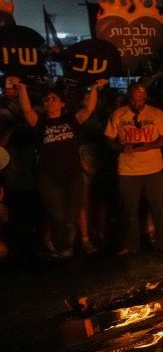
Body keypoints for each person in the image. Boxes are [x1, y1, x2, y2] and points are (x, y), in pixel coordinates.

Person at [14, 79, 104, 258]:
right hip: (49, 177)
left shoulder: (71, 120)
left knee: (71, 215)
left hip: (73, 174)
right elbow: (26, 110)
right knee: (57, 215)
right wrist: (21, 88)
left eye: (54, 98)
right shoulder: (41, 123)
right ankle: (62, 247)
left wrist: (94, 88)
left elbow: (88, 109)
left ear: (62, 103)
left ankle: (65, 246)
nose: (49, 101)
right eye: (46, 99)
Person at [104, 81, 163, 255]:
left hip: (153, 168)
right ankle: (131, 244)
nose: (137, 104)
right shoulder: (119, 114)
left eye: (140, 101)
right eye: (134, 101)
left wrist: (150, 145)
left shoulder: (156, 114)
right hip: (128, 170)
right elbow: (109, 139)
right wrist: (121, 148)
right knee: (129, 209)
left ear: (145, 98)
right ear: (129, 98)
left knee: (159, 207)